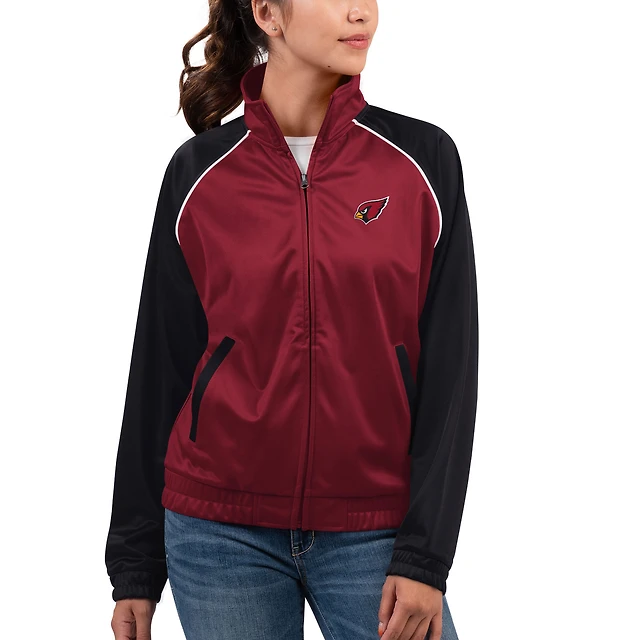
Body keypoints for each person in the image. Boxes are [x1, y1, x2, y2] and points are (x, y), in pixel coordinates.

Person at [105, 1, 479, 639]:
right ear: (268, 14)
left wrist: (426, 555)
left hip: (377, 526)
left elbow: (453, 369)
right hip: (219, 530)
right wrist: (135, 564)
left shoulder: (421, 161)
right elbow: (159, 368)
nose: (362, 13)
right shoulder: (199, 173)